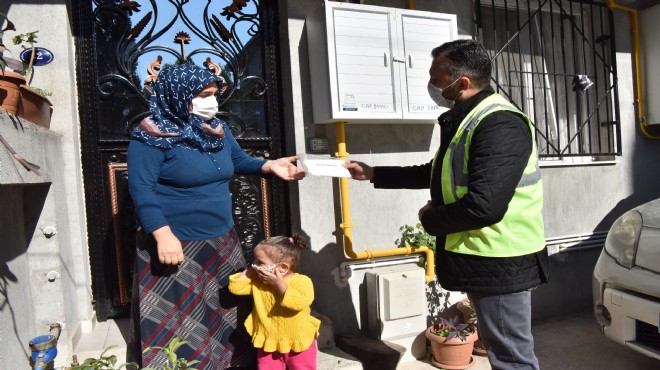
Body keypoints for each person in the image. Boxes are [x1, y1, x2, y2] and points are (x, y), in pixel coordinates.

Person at [345, 40, 549, 370]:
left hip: (501, 258)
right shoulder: (469, 120)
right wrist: (374, 173)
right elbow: (438, 172)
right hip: (484, 256)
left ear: (463, 83)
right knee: (503, 351)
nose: (433, 86)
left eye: (437, 80)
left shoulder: (499, 123)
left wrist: (430, 219)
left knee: (511, 357)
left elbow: (485, 207)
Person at [126, 63, 305, 370]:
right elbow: (141, 188)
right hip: (177, 242)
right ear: (178, 96)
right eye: (204, 95)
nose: (213, 102)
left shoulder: (215, 130)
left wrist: (268, 166)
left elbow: (238, 160)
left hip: (221, 240)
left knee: (225, 313)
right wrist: (162, 234)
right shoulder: (151, 135)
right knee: (182, 322)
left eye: (214, 94)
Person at [228, 235, 320, 370]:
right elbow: (236, 287)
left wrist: (279, 284)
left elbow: (299, 302)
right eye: (254, 260)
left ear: (282, 267)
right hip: (268, 341)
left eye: (260, 262)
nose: (254, 264)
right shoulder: (259, 282)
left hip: (298, 341)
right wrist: (252, 270)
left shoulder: (302, 281)